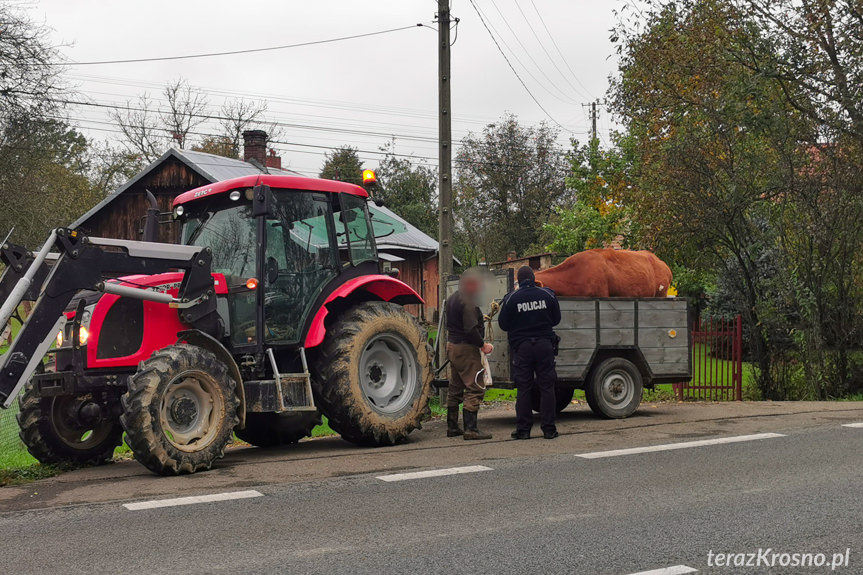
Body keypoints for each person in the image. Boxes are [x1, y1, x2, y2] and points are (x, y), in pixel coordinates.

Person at [498, 266, 562, 439]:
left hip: (523, 348)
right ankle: (549, 429)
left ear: (518, 281)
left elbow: (503, 324)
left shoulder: (511, 298)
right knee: (547, 387)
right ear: (534, 279)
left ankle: (523, 430)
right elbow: (556, 319)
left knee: (524, 388)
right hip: (544, 346)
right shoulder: (547, 295)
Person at [445, 269, 494, 440]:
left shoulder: (452, 298)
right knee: (475, 386)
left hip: (452, 346)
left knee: (455, 386)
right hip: (466, 348)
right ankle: (471, 429)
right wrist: (483, 344)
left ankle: (452, 427)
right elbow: (471, 328)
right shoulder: (469, 302)